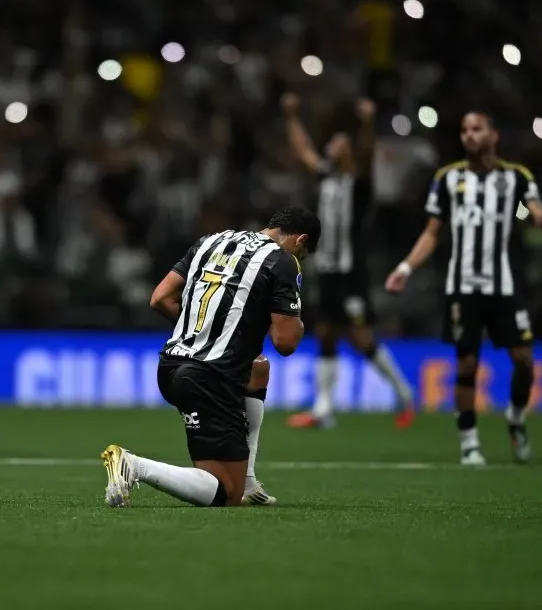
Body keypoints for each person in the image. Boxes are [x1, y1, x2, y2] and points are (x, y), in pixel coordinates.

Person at [102, 207, 320, 508]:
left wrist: (205, 330)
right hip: (210, 377)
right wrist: (298, 319)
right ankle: (134, 465)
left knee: (258, 368)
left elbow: (160, 298)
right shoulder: (284, 261)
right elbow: (284, 342)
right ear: (301, 241)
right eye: (304, 254)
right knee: (224, 494)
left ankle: (249, 482)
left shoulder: (210, 242)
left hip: (172, 365)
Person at [385, 111, 542, 465]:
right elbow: (433, 232)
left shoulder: (515, 177)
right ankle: (469, 442)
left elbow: (527, 209)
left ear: (493, 135)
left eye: (477, 129)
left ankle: (516, 418)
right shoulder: (448, 179)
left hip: (504, 287)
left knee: (524, 361)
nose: (469, 136)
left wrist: (538, 215)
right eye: (464, 130)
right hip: (462, 288)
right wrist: (405, 267)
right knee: (466, 365)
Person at [280, 93, 415, 430]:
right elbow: (304, 152)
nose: (331, 146)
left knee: (360, 336)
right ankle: (324, 409)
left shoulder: (360, 184)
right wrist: (292, 117)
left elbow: (368, 154)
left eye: (339, 143)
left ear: (349, 151)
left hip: (351, 271)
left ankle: (405, 393)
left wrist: (368, 123)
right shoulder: (326, 177)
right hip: (326, 270)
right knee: (325, 332)